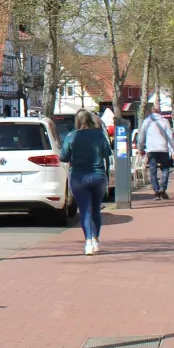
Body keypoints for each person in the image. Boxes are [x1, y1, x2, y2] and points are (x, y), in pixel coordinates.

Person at [61, 109, 112, 255]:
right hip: (98, 176)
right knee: (96, 209)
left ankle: (88, 242)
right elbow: (107, 152)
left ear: (77, 122)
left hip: (78, 177)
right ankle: (96, 240)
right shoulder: (99, 135)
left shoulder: (71, 136)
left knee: (84, 210)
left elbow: (63, 156)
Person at [137, 102, 174, 199]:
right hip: (163, 148)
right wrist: (173, 151)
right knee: (165, 168)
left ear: (151, 111)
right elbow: (170, 137)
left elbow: (141, 136)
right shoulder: (165, 121)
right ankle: (162, 188)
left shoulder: (146, 122)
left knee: (152, 170)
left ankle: (156, 190)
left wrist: (140, 148)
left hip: (151, 149)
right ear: (160, 112)